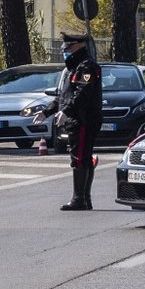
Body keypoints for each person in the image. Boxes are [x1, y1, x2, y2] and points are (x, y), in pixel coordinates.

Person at [33, 32, 102, 211]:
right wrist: (46, 112)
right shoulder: (74, 68)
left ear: (78, 46)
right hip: (76, 119)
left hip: (84, 119)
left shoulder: (87, 67)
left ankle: (79, 199)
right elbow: (64, 97)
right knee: (82, 157)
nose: (66, 51)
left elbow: (83, 94)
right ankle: (84, 199)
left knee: (79, 158)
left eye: (68, 48)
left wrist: (66, 111)